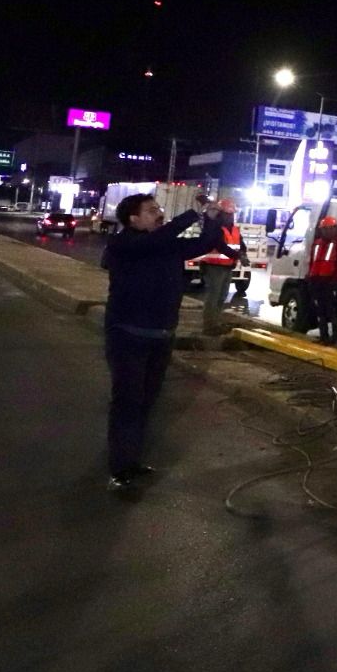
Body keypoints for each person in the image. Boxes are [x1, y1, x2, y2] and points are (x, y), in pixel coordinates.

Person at [101, 191, 226, 491]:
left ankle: (132, 459)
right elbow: (155, 240)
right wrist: (192, 214)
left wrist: (212, 220)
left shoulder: (164, 244)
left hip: (161, 337)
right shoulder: (124, 244)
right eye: (151, 210)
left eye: (159, 208)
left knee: (146, 402)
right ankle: (120, 469)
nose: (159, 213)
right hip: (128, 335)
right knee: (128, 403)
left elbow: (205, 244)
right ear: (133, 219)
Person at [196, 196, 246, 335]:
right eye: (227, 214)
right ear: (221, 213)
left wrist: (242, 253)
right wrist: (238, 255)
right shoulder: (215, 227)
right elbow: (220, 246)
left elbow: (241, 244)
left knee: (221, 297)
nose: (230, 216)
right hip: (214, 266)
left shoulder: (233, 229)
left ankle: (215, 324)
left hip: (227, 266)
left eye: (231, 214)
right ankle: (209, 326)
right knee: (213, 297)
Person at [307, 215, 337, 347]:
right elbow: (313, 261)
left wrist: (335, 281)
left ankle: (335, 338)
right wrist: (311, 277)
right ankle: (323, 337)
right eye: (324, 229)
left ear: (334, 229)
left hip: (330, 281)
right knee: (320, 310)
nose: (325, 231)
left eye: (328, 228)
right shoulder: (317, 243)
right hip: (317, 280)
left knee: (331, 311)